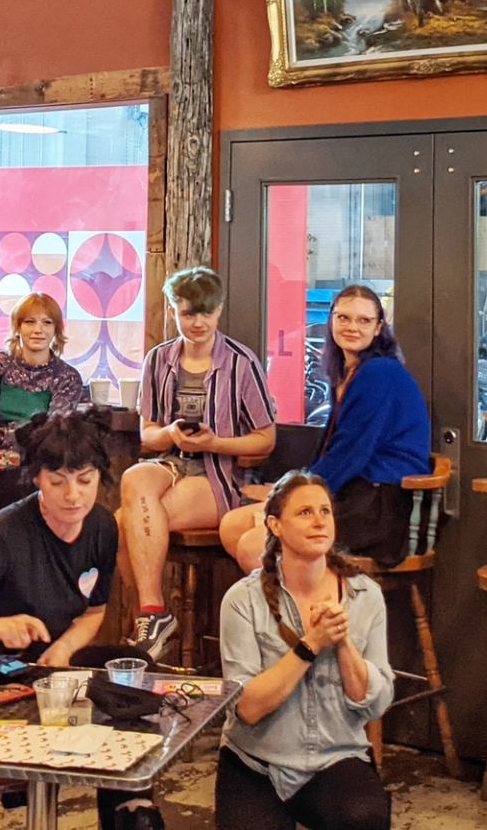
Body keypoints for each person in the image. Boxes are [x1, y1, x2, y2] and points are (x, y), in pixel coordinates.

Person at [0, 410, 160, 830]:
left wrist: (63, 649)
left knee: (132, 677)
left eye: (85, 480)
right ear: (37, 478)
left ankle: (131, 808)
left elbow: (93, 612)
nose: (73, 496)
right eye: (58, 482)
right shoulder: (2, 537)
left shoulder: (101, 527)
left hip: (42, 666)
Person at [216, 472, 393, 830]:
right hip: (256, 761)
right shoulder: (242, 600)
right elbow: (247, 707)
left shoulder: (365, 595)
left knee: (365, 817)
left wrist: (341, 641)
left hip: (334, 756)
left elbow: (376, 702)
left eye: (325, 511)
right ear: (275, 525)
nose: (319, 521)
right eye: (304, 512)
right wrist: (310, 645)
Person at [123, 267, 276, 661]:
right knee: (133, 479)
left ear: (219, 310)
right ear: (173, 311)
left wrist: (215, 442)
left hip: (220, 474)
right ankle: (153, 614)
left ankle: (149, 620)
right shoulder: (159, 359)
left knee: (125, 522)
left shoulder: (241, 362)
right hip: (171, 461)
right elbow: (147, 435)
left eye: (206, 312)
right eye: (188, 313)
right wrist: (171, 434)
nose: (198, 322)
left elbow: (266, 437)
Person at [221, 286, 426, 574]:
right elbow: (335, 452)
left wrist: (290, 494)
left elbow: (350, 454)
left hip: (379, 506)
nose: (352, 327)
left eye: (364, 320)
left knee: (252, 546)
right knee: (231, 526)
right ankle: (283, 599)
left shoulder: (379, 372)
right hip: (350, 493)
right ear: (331, 320)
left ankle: (306, 602)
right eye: (344, 318)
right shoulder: (346, 370)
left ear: (379, 327)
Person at [0, 292, 88, 542]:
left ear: (56, 330)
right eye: (29, 322)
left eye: (47, 322)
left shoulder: (67, 377)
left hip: (34, 458)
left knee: (25, 481)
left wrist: (0, 438)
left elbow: (50, 434)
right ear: (17, 327)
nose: (38, 330)